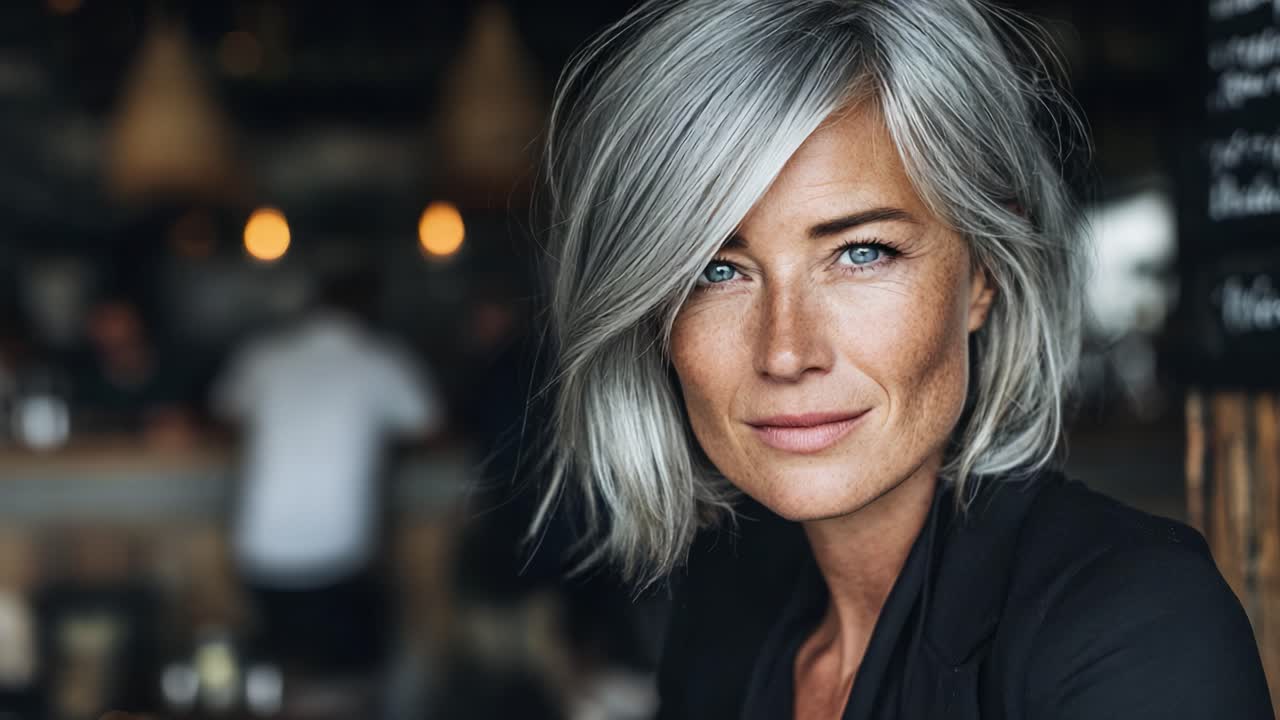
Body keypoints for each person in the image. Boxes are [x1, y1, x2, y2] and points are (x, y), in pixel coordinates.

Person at [533, 1, 1273, 718]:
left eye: (861, 253)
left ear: (985, 269)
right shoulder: (722, 609)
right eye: (714, 271)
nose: (786, 351)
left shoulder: (1130, 628)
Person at [212, 266, 443, 674]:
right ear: (370, 309)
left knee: (285, 672)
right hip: (339, 550)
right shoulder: (380, 360)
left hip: (262, 547)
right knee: (348, 676)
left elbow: (224, 416)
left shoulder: (264, 356)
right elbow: (429, 428)